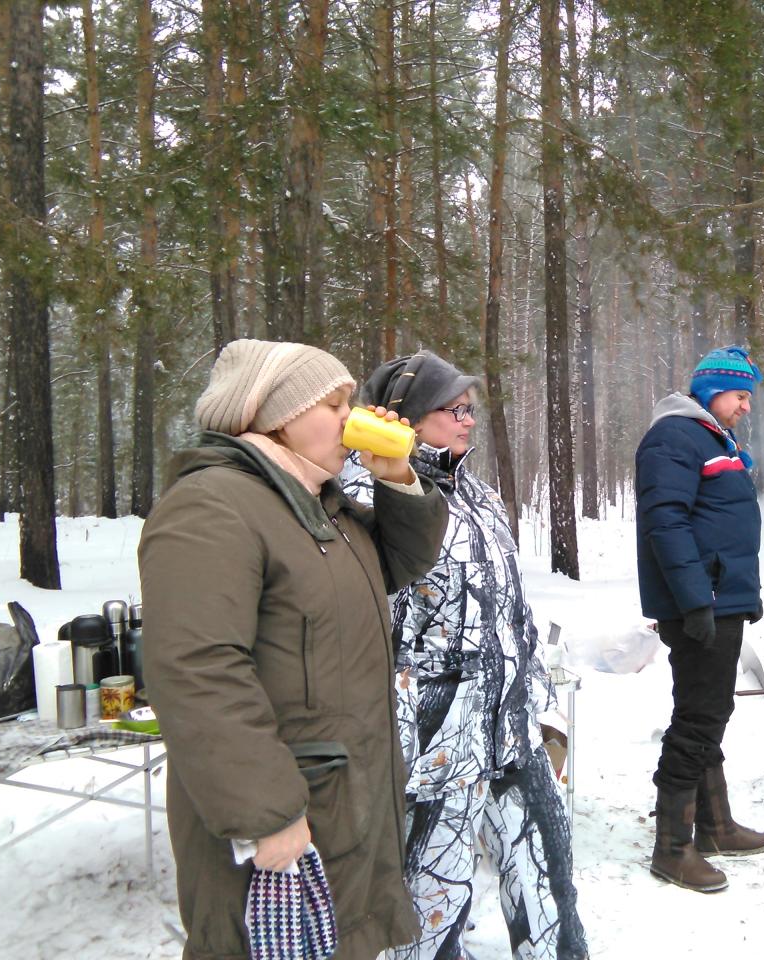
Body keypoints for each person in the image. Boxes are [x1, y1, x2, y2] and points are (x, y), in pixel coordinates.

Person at [139, 339, 449, 960]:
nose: (350, 417)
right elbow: (198, 671)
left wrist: (395, 478)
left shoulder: (322, 507)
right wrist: (265, 812)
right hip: (283, 827)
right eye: (333, 404)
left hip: (341, 807)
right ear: (276, 418)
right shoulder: (211, 506)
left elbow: (401, 562)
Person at [340, 350, 587, 960]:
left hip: (512, 728)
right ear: (406, 416)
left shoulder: (477, 493)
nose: (469, 421)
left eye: (470, 409)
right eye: (453, 410)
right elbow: (367, 627)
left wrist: (538, 700)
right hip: (436, 744)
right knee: (430, 909)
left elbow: (511, 608)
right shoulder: (362, 495)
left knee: (551, 889)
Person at [634, 345, 764, 894]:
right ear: (713, 391)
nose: (746, 407)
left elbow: (719, 523)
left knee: (710, 711)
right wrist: (695, 601)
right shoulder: (675, 436)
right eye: (740, 395)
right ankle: (672, 848)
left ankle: (714, 825)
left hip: (718, 597)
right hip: (699, 602)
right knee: (698, 718)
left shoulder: (711, 438)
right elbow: (665, 523)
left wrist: (741, 593)